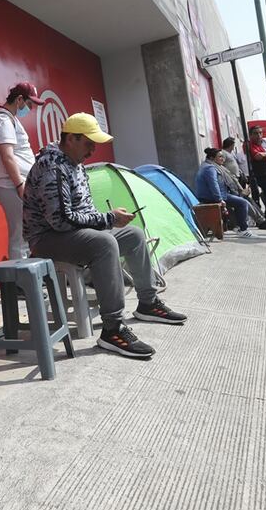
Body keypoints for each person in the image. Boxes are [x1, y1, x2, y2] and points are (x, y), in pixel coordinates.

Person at [23, 113, 187, 359]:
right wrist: (108, 219)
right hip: (47, 239)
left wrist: (109, 219)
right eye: (89, 143)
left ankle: (148, 302)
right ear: (71, 139)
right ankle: (113, 329)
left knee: (133, 235)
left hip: (72, 233)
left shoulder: (74, 164)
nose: (92, 150)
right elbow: (60, 220)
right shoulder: (52, 167)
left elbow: (83, 212)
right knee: (105, 243)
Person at [0, 82, 44, 259]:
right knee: (20, 235)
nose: (30, 108)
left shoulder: (10, 119)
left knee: (24, 233)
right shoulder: (2, 119)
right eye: (29, 104)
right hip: (11, 184)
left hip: (15, 183)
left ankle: (26, 278)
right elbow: (7, 156)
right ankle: (21, 283)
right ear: (19, 99)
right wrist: (20, 185)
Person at [195, 148, 254, 238]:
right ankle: (243, 229)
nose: (223, 159)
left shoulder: (208, 165)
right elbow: (213, 185)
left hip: (217, 194)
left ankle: (237, 226)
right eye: (220, 157)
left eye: (222, 156)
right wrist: (219, 199)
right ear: (212, 158)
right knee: (242, 203)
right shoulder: (210, 168)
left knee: (240, 199)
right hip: (211, 197)